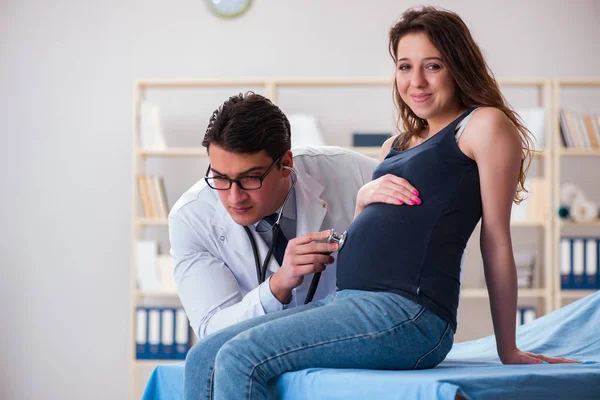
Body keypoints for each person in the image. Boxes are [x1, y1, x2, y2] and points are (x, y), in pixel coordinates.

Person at [183, 6, 577, 399]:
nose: (416, 81)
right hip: (349, 302)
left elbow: (496, 240)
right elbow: (376, 236)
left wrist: (506, 349)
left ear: (458, 66)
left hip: (410, 314)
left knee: (240, 357)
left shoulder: (482, 126)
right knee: (203, 356)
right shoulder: (395, 145)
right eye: (405, 67)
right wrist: (360, 203)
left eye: (433, 66)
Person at [168, 92, 378, 340]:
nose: (235, 198)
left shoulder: (353, 174)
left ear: (285, 163)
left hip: (351, 339)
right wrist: (278, 284)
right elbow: (212, 331)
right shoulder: (192, 217)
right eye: (221, 178)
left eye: (250, 178)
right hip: (257, 353)